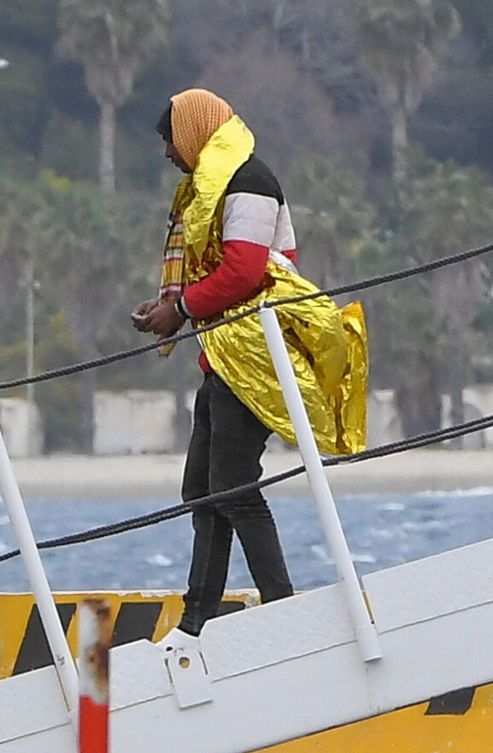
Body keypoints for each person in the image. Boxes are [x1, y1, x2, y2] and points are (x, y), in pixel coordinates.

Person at [132, 88, 368, 638]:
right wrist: (169, 304)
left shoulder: (249, 183)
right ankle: (198, 621)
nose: (168, 153)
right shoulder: (215, 186)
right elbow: (224, 270)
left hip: (259, 358)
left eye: (171, 140)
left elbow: (243, 272)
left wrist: (182, 308)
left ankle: (282, 609)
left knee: (233, 485)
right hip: (224, 355)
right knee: (204, 489)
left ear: (193, 133)